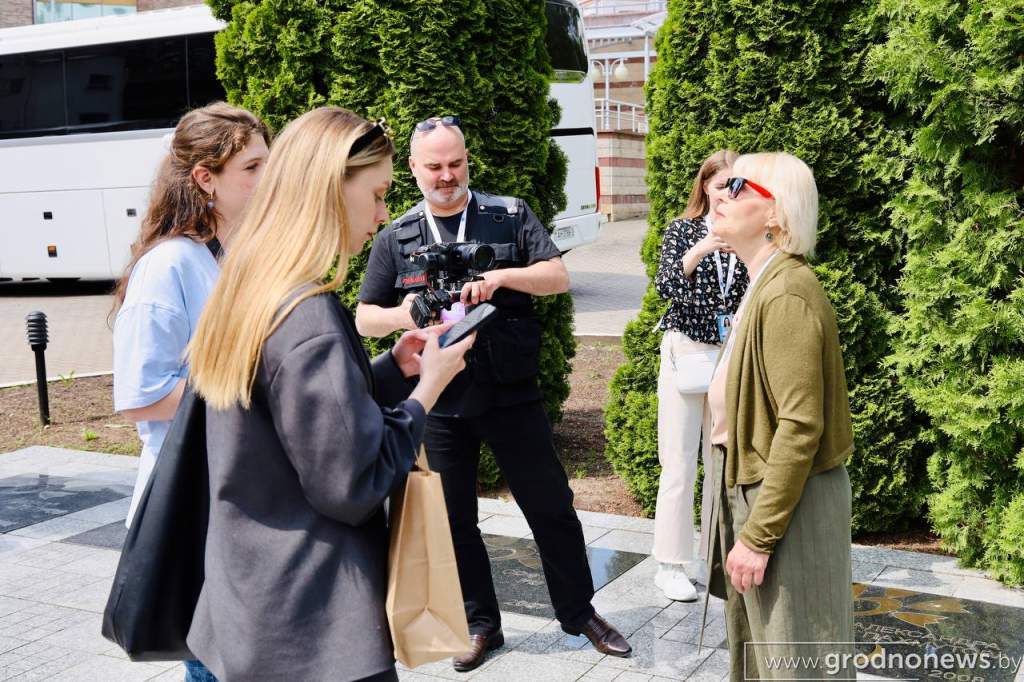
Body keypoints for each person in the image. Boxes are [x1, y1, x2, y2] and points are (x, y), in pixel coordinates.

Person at [183, 108, 474, 682]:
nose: (383, 214)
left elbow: (283, 415)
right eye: (377, 194)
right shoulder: (306, 313)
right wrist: (428, 390)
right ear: (328, 190)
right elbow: (352, 486)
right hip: (308, 632)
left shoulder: (253, 285)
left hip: (241, 611)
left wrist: (392, 369)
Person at [355, 116, 631, 671]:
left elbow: (556, 277)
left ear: (467, 161)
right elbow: (364, 317)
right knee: (454, 519)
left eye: (455, 163)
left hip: (511, 392)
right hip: (439, 398)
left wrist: (503, 277)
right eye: (434, 166)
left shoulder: (509, 214)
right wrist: (404, 314)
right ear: (413, 168)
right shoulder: (398, 235)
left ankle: (579, 613)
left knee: (551, 507)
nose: (447, 175)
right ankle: (482, 624)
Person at [112, 102, 269, 682]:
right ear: (206, 179)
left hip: (231, 494)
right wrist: (249, 388)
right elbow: (139, 395)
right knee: (212, 666)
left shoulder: (231, 256)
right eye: (252, 168)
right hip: (189, 503)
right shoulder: (169, 265)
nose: (268, 178)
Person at [703, 152, 855, 679]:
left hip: (787, 504)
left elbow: (800, 425)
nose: (721, 194)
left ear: (775, 212)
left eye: (738, 187)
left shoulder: (787, 292)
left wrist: (758, 536)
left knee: (797, 659)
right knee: (763, 655)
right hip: (764, 491)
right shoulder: (764, 281)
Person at [651, 149, 748, 602]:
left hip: (729, 357)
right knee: (679, 461)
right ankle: (670, 565)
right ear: (705, 187)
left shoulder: (748, 233)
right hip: (687, 352)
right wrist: (704, 247)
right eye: (721, 184)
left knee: (721, 463)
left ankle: (715, 559)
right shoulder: (683, 230)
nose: (728, 193)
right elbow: (666, 286)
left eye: (736, 185)